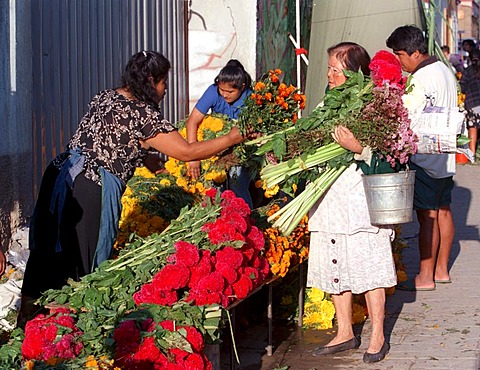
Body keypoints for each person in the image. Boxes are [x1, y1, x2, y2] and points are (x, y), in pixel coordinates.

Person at [18, 51, 246, 327]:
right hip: (90, 189)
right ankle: (62, 337)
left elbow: (120, 139)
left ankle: (26, 331)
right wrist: (233, 137)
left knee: (48, 257)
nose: (165, 90)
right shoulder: (143, 113)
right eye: (163, 83)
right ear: (151, 80)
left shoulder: (106, 96)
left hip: (59, 176)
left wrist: (153, 165)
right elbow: (186, 152)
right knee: (79, 270)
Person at [307, 42, 396, 364]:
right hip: (329, 198)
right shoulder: (326, 104)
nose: (329, 74)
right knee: (335, 262)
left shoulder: (373, 105)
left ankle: (377, 335)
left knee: (369, 266)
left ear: (354, 73)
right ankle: (345, 331)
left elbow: (391, 157)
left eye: (335, 69)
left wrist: (357, 146)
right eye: (329, 67)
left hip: (360, 201)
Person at [387, 25, 457, 291]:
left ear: (415, 53)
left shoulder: (421, 78)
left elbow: (405, 115)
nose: (399, 61)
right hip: (445, 155)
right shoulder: (444, 70)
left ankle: (425, 276)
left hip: (425, 156)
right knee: (443, 211)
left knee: (427, 215)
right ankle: (441, 270)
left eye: (400, 55)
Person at [186, 59, 254, 208]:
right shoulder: (213, 91)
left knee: (237, 185)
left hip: (241, 150)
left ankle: (248, 220)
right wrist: (193, 155)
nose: (224, 95)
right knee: (213, 189)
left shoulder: (251, 98)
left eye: (230, 92)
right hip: (216, 147)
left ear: (242, 87)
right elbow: (192, 121)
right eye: (221, 90)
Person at [460, 48, 480, 156]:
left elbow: (462, 86)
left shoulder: (468, 71)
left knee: (473, 128)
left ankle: (471, 154)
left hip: (472, 103)